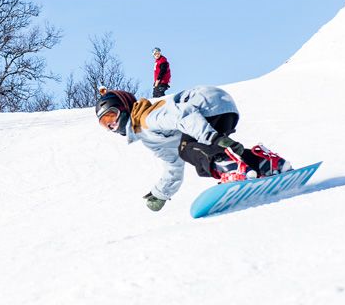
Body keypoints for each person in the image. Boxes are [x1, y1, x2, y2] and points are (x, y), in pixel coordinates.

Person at [94, 86, 289, 212]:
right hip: (223, 107)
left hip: (206, 104)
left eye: (112, 116)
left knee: (188, 149)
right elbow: (173, 164)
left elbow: (184, 115)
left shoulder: (148, 117)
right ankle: (264, 163)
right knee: (195, 151)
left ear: (125, 107)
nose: (112, 125)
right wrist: (161, 193)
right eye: (105, 124)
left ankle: (231, 169)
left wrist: (212, 137)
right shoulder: (147, 135)